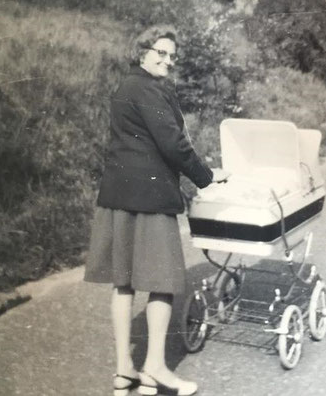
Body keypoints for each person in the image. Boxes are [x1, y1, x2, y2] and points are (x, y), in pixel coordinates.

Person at [84, 24, 228, 396]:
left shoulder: (124, 86)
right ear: (142, 52)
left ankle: (123, 371)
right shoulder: (149, 89)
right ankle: (156, 369)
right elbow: (174, 146)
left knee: (125, 282)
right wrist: (208, 179)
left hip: (117, 196)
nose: (167, 60)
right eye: (160, 52)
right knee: (162, 282)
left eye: (171, 56)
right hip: (149, 198)